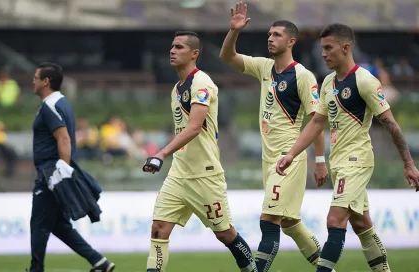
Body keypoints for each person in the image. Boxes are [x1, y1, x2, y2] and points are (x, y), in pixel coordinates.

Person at [276, 23, 419, 272]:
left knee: (335, 220)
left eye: (329, 48)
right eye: (322, 48)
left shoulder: (364, 81)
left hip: (357, 161)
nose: (323, 54)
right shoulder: (328, 83)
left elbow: (391, 125)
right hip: (339, 163)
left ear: (346, 48)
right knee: (362, 224)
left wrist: (408, 164)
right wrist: (291, 154)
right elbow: (317, 122)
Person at [219, 2, 330, 271]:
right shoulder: (264, 67)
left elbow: (317, 119)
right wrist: (234, 31)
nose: (270, 38)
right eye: (269, 34)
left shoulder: (303, 76)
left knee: (268, 221)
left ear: (291, 41)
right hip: (269, 158)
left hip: (288, 157)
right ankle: (328, 268)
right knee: (291, 223)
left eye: (277, 35)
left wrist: (319, 160)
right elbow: (228, 57)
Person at [142, 31, 257, 272]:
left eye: (179, 47)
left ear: (194, 54)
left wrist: (162, 153)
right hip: (179, 173)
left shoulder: (202, 82)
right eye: (172, 46)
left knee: (225, 234)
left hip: (204, 174)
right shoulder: (176, 89)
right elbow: (183, 130)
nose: (172, 51)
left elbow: (194, 127)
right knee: (158, 229)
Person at [29, 62, 115, 272]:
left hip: (51, 172)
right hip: (55, 170)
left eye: (36, 77)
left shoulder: (50, 105)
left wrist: (61, 171)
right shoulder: (63, 103)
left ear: (46, 81)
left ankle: (35, 269)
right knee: (58, 224)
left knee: (39, 224)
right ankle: (99, 262)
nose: (32, 81)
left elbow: (64, 139)